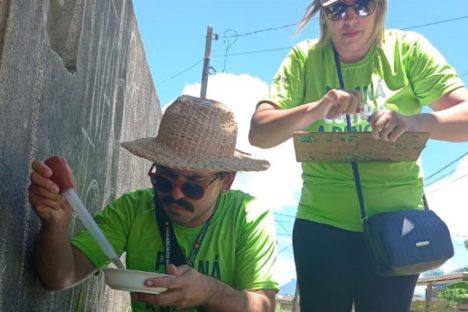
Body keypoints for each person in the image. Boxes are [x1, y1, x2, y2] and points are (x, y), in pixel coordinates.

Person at [249, 0, 468, 311]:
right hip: (320, 224)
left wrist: (412, 123)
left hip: (399, 228)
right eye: (336, 9)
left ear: (380, 6)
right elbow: (259, 133)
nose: (349, 18)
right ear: (322, 14)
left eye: (361, 5)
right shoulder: (304, 58)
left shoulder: (409, 50)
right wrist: (316, 108)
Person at [29, 95, 279, 312]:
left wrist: (211, 293)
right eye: (164, 179)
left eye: (193, 185)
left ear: (227, 181)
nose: (177, 194)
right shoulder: (132, 210)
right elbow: (59, 278)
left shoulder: (249, 217)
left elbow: (263, 306)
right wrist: (55, 224)